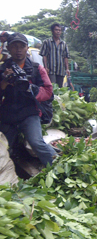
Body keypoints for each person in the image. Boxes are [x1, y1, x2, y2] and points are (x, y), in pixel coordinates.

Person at [0, 33, 55, 166]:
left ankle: (59, 166)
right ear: (9, 48)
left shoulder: (36, 68)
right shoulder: (2, 69)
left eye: (22, 46)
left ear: (27, 48)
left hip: (29, 113)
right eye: (14, 46)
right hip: (8, 114)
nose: (18, 50)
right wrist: (3, 83)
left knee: (36, 143)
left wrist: (30, 88)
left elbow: (48, 91)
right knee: (4, 148)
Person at [39, 23, 70, 88]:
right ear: (52, 31)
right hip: (51, 70)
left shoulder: (63, 44)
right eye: (56, 30)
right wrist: (46, 67)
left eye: (59, 30)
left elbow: (66, 57)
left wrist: (67, 69)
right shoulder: (47, 42)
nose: (58, 31)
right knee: (52, 87)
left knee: (60, 88)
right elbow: (44, 55)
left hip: (61, 70)